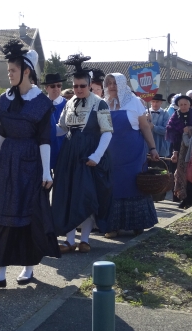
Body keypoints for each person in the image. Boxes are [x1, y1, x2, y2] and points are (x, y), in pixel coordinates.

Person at [0, 40, 58, 286]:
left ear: (26, 71)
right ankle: (0, 272)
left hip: (30, 162)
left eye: (13, 70)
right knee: (3, 213)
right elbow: (2, 133)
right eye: (8, 70)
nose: (9, 74)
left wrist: (46, 172)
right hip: (8, 163)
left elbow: (44, 139)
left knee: (28, 214)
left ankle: (28, 268)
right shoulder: (5, 100)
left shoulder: (41, 102)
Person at [52, 55, 113, 253]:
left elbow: (107, 132)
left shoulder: (100, 104)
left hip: (88, 156)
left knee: (86, 196)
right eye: (75, 86)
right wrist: (44, 127)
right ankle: (70, 241)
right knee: (68, 195)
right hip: (69, 154)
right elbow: (61, 128)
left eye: (82, 86)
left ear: (89, 84)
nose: (78, 89)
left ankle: (84, 240)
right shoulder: (69, 103)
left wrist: (96, 156)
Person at [101, 73, 159, 238]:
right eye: (109, 83)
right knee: (112, 188)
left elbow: (145, 127)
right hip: (110, 155)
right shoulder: (103, 104)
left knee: (134, 187)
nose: (112, 86)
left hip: (133, 154)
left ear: (122, 84)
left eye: (115, 83)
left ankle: (137, 224)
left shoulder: (134, 102)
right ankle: (112, 226)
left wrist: (153, 148)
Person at [165, 94, 192, 202]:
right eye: (181, 104)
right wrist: (175, 151)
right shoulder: (175, 116)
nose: (183, 106)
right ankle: (178, 195)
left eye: (185, 104)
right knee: (177, 171)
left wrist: (190, 129)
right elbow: (170, 130)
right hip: (177, 146)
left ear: (190, 104)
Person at [42, 72, 67, 171]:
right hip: (44, 149)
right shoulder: (41, 105)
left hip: (62, 149)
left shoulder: (68, 105)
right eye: (52, 86)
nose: (56, 88)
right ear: (46, 88)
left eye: (59, 85)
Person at [149, 93, 171, 157]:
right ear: (150, 102)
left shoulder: (165, 114)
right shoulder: (144, 113)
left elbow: (166, 130)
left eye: (157, 102)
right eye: (153, 101)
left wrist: (154, 127)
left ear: (161, 102)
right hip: (147, 147)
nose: (155, 104)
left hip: (161, 146)